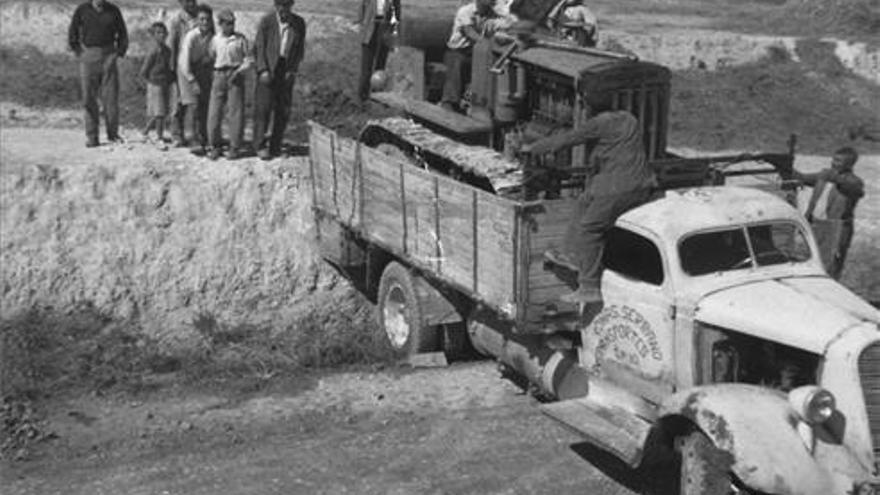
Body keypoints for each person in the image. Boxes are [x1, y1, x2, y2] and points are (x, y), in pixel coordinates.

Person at [522, 92, 656, 305]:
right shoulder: (629, 119)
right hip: (641, 182)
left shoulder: (600, 123)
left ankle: (590, 286)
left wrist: (533, 148)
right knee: (583, 202)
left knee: (589, 230)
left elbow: (568, 139)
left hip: (617, 186)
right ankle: (571, 255)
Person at [794, 147, 865, 279]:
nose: (833, 163)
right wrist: (781, 164)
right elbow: (801, 177)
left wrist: (835, 178)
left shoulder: (854, 181)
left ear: (849, 164)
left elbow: (856, 190)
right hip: (818, 226)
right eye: (833, 159)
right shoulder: (824, 176)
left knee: (831, 267)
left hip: (837, 230)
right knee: (813, 262)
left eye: (838, 161)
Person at [67, 0, 128, 148]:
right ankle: (92, 137)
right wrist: (79, 51)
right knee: (88, 97)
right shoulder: (82, 9)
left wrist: (119, 53)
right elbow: (73, 31)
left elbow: (123, 34)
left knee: (111, 97)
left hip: (109, 54)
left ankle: (113, 134)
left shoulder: (113, 10)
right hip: (89, 54)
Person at [253, 0, 306, 161]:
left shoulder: (299, 23)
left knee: (283, 110)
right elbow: (259, 47)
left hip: (286, 68)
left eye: (287, 5)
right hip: (268, 67)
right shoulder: (267, 21)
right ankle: (260, 145)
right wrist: (262, 69)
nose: (283, 9)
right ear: (276, 6)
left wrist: (293, 70)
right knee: (263, 108)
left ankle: (275, 146)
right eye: (280, 5)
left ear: (292, 5)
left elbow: (299, 49)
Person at [439, 0, 511, 112]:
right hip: (458, 50)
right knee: (457, 64)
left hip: (477, 51)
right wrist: (487, 42)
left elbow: (504, 25)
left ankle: (484, 102)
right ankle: (449, 102)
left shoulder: (492, 14)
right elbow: (469, 32)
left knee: (495, 64)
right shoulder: (465, 12)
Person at [205, 9, 252, 160]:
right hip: (219, 74)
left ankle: (234, 146)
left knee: (235, 112)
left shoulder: (240, 39)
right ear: (220, 24)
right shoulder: (215, 39)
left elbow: (249, 59)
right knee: (214, 111)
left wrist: (239, 71)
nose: (230, 26)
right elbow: (211, 56)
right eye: (227, 23)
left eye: (232, 23)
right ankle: (214, 145)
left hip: (235, 75)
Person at [179, 4, 215, 154]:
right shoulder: (191, 36)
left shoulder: (212, 35)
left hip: (203, 70)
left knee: (204, 104)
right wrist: (191, 80)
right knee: (192, 104)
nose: (204, 22)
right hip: (187, 70)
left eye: (207, 19)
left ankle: (203, 136)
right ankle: (191, 138)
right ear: (197, 20)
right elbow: (184, 60)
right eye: (201, 19)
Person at [167, 0, 200, 147]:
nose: (190, 3)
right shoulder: (176, 20)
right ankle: (176, 134)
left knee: (195, 102)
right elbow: (172, 45)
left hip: (198, 65)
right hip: (180, 65)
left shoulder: (202, 16)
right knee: (177, 101)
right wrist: (171, 68)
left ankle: (194, 134)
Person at [139, 22, 174, 149]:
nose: (162, 35)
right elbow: (144, 71)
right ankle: (159, 137)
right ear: (153, 35)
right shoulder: (153, 51)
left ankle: (145, 131)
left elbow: (168, 67)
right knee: (159, 112)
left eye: (163, 32)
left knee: (161, 111)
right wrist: (147, 84)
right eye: (158, 33)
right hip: (155, 84)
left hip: (164, 83)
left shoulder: (167, 51)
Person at [356, 0, 400, 102]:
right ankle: (362, 98)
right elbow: (362, 7)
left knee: (380, 67)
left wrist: (393, 34)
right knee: (366, 70)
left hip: (384, 30)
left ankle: (376, 98)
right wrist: (360, 23)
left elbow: (396, 14)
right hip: (369, 30)